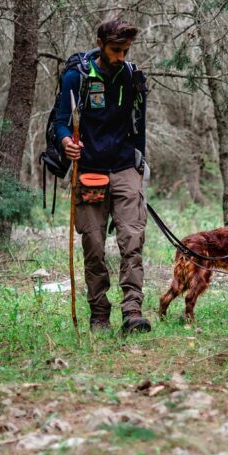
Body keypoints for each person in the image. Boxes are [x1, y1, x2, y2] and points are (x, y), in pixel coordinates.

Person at [54, 17, 151, 334]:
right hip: (90, 171)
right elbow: (61, 122)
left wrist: (139, 165)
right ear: (100, 44)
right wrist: (66, 141)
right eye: (115, 50)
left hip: (125, 168)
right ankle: (99, 315)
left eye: (125, 50)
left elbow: (141, 126)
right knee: (94, 246)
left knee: (132, 241)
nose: (121, 57)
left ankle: (132, 311)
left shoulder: (133, 77)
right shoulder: (76, 77)